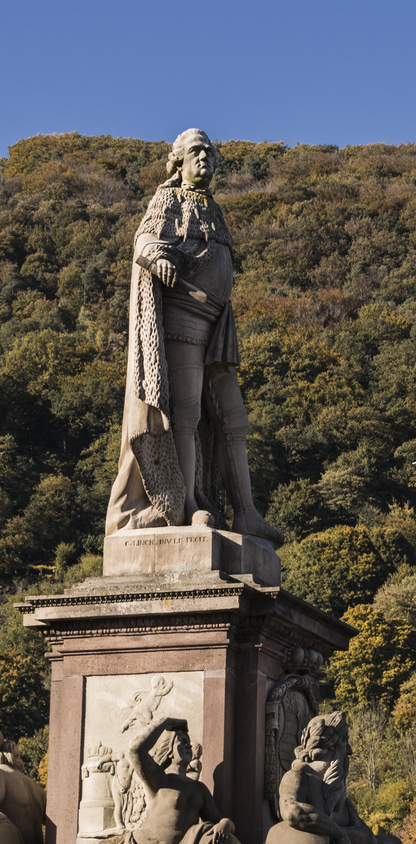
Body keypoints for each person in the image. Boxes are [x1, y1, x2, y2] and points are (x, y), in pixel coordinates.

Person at [105, 128, 282, 544]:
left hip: (219, 322)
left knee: (233, 419)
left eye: (210, 152)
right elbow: (144, 241)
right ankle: (185, 509)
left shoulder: (213, 208)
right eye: (196, 152)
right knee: (185, 413)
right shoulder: (169, 198)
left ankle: (247, 514)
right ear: (179, 162)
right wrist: (160, 258)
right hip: (183, 318)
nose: (205, 158)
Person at [0, 716, 247, 844]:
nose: (187, 745)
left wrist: (225, 825)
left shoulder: (199, 790)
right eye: (181, 741)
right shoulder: (159, 780)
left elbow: (220, 819)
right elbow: (134, 749)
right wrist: (163, 723)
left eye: (189, 742)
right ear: (169, 749)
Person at [274, 712, 409, 844]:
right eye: (343, 750)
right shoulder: (297, 775)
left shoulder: (337, 792)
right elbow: (291, 811)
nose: (345, 758)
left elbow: (368, 838)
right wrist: (339, 834)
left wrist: (345, 838)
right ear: (335, 749)